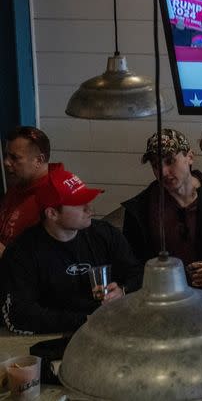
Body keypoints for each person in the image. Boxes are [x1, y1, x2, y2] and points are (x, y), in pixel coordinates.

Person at [2, 167, 143, 334]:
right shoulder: (22, 252)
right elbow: (20, 314)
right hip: (53, 337)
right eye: (79, 203)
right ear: (52, 213)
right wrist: (86, 320)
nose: (90, 209)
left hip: (108, 329)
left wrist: (123, 290)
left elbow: (138, 274)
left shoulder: (105, 234)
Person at [121, 129, 202, 287]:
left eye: (170, 161)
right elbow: (130, 265)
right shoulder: (141, 208)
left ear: (190, 157)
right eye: (156, 165)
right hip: (165, 299)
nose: (163, 172)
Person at [0, 127, 59, 255]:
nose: (6, 162)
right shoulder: (18, 184)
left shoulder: (56, 197)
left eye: (14, 158)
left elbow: (51, 259)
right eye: (6, 156)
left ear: (39, 160)